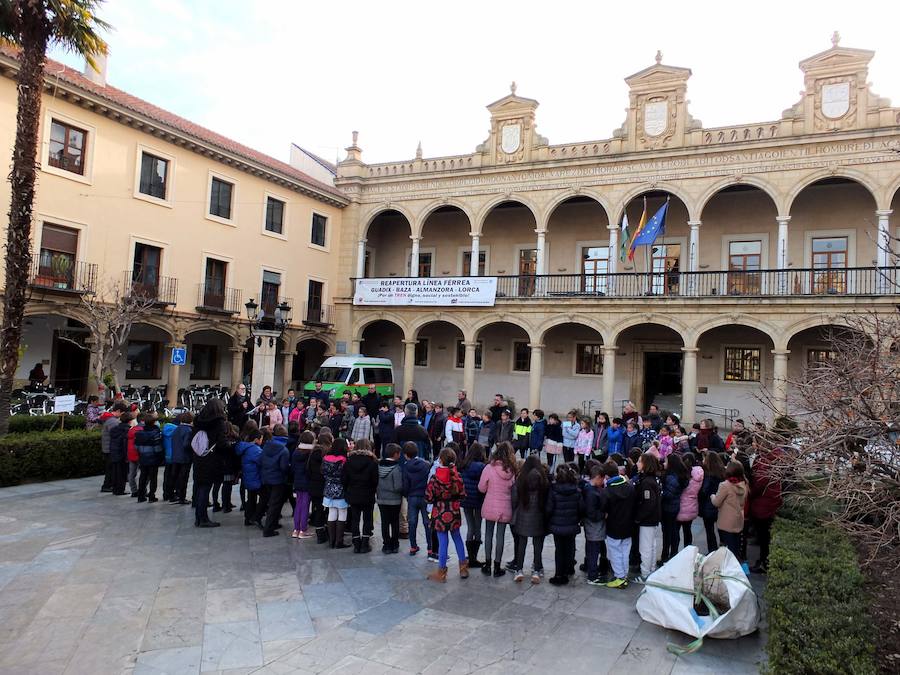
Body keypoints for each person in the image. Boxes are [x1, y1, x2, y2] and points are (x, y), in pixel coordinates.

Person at [425, 447, 469, 583]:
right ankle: (463, 568)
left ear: (440, 460)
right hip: (454, 511)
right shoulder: (457, 476)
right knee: (457, 538)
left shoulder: (435, 477)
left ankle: (441, 572)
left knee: (443, 542)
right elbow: (463, 495)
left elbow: (428, 497)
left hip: (440, 513)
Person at [478, 441, 517, 577]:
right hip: (505, 507)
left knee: (488, 534)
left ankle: (487, 565)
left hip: (490, 505)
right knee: (500, 536)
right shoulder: (512, 470)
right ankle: (497, 566)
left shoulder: (489, 468)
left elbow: (481, 488)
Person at [507, 455, 547, 583]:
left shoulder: (521, 479)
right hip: (538, 515)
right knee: (537, 544)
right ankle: (536, 569)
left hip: (523, 515)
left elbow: (514, 499)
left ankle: (519, 570)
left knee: (521, 544)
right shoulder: (543, 480)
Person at [192, 398, 230, 528]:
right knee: (205, 488)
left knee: (200, 487)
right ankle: (203, 519)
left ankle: (199, 517)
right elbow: (222, 443)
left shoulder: (198, 421)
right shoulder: (219, 423)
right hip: (212, 459)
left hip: (199, 457)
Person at [749, 440, 783, 573]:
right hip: (769, 502)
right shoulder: (773, 460)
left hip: (764, 505)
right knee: (764, 536)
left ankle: (764, 562)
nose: (753, 444)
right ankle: (764, 559)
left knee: (764, 536)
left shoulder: (766, 464)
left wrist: (750, 491)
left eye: (755, 442)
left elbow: (758, 484)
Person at [546, 463, 581, 585]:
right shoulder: (576, 490)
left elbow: (549, 508)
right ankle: (569, 568)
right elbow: (581, 507)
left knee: (559, 549)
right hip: (571, 524)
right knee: (570, 547)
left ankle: (559, 574)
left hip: (558, 525)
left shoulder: (554, 489)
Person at [603, 460, 636, 588]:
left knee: (615, 552)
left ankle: (619, 576)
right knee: (625, 551)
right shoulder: (630, 487)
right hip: (628, 526)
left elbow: (604, 509)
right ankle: (624, 574)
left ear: (606, 476)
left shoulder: (608, 491)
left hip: (613, 527)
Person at [343, 438, 379, 553]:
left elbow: (344, 479)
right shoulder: (372, 461)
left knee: (355, 518)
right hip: (367, 494)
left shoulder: (349, 461)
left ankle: (356, 542)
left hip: (353, 493)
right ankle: (365, 543)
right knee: (368, 519)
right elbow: (375, 480)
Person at [711, 461, 749, 560]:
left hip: (726, 521)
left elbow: (716, 502)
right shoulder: (744, 484)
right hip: (738, 520)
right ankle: (735, 566)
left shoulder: (725, 485)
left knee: (727, 548)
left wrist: (712, 496)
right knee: (735, 547)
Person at [634, 452, 662, 581]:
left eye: (640, 461)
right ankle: (651, 570)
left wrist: (638, 517)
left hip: (648, 520)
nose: (637, 463)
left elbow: (648, 503)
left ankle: (645, 574)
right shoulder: (650, 479)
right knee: (651, 545)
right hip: (653, 519)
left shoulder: (646, 482)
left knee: (645, 547)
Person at [458, 443, 486, 568]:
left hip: (466, 500)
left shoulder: (463, 465)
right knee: (478, 527)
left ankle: (470, 555)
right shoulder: (483, 467)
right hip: (479, 500)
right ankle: (474, 557)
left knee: (470, 527)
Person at [259, 424, 290, 537]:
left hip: (266, 477)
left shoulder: (267, 445)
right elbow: (284, 467)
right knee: (275, 504)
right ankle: (268, 529)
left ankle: (273, 524)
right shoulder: (284, 450)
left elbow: (261, 459)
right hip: (278, 480)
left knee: (272, 503)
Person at [402, 442, 431, 556]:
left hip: (412, 497)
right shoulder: (426, 464)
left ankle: (413, 546)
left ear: (405, 455)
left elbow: (405, 484)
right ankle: (430, 547)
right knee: (427, 522)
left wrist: (406, 494)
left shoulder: (406, 466)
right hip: (425, 496)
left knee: (412, 522)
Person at [661, 453, 689, 563]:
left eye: (666, 461)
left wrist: (660, 492)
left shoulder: (671, 477)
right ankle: (673, 553)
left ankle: (666, 555)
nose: (664, 463)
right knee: (673, 531)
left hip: (668, 507)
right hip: (674, 506)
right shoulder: (679, 475)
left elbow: (668, 494)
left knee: (668, 532)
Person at [377, 443, 404, 553]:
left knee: (384, 522)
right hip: (394, 500)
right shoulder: (396, 468)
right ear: (396, 454)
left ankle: (386, 544)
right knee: (394, 522)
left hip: (382, 499)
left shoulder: (378, 466)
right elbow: (398, 486)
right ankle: (395, 544)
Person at [236, 428, 264, 526]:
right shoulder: (255, 450)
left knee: (251, 498)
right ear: (256, 439)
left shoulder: (244, 447)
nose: (262, 441)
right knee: (264, 497)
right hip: (255, 478)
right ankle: (257, 517)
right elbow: (262, 462)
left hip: (248, 477)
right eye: (261, 439)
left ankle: (248, 518)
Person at [290, 430, 316, 538]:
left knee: (298, 505)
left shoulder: (296, 452)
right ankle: (303, 530)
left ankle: (296, 529)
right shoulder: (310, 453)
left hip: (297, 481)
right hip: (307, 482)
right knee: (305, 506)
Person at [699, 451, 726, 553]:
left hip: (708, 506)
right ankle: (723, 550)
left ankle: (712, 551)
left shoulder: (708, 475)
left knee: (710, 531)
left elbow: (704, 491)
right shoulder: (723, 473)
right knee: (721, 531)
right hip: (721, 506)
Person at [676, 453, 704, 549]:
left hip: (680, 507)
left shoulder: (681, 475)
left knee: (676, 533)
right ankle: (688, 550)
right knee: (687, 530)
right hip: (692, 506)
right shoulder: (698, 476)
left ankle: (674, 553)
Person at [100, 401, 127, 492]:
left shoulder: (109, 418)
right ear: (119, 411)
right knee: (110, 469)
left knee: (110, 468)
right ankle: (107, 485)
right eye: (122, 413)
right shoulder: (113, 421)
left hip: (107, 447)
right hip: (110, 448)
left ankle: (109, 485)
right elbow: (116, 435)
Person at [308, 433, 329, 543]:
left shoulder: (312, 453)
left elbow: (309, 470)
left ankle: (319, 532)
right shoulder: (326, 454)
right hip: (324, 485)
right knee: (326, 510)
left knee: (318, 509)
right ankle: (326, 531)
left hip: (314, 485)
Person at [108, 410, 133, 496]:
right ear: (129, 421)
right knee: (122, 473)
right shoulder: (127, 430)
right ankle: (120, 490)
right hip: (122, 454)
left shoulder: (114, 429)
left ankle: (115, 489)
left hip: (114, 452)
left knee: (115, 472)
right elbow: (125, 444)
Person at [127, 413, 141, 497]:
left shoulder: (130, 431)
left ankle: (134, 490)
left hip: (131, 455)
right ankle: (143, 489)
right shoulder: (141, 430)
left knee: (132, 474)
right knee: (144, 474)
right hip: (140, 454)